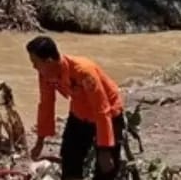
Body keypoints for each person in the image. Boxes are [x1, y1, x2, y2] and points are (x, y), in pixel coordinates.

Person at [26, 36, 126, 180]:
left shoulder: (83, 72)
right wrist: (40, 141)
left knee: (106, 168)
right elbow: (46, 105)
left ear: (49, 61)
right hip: (80, 111)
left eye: (35, 62)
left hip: (108, 112)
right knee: (70, 159)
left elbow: (101, 108)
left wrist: (104, 149)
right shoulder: (46, 75)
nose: (34, 67)